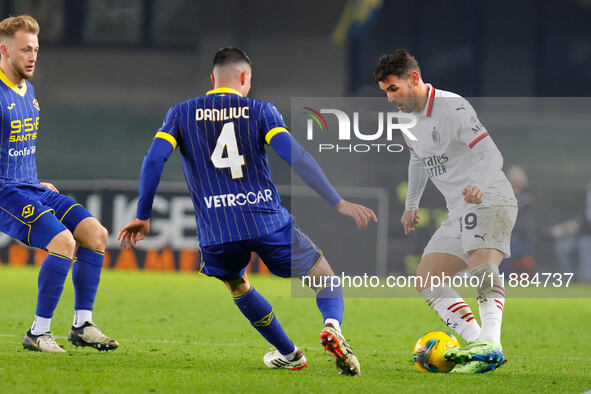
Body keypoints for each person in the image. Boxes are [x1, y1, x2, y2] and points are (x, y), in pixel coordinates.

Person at [118, 47, 376, 375]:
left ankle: (289, 353)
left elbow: (154, 159)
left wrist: (143, 213)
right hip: (266, 219)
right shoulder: (260, 111)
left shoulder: (180, 113)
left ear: (213, 79)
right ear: (245, 78)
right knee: (325, 278)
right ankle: (332, 327)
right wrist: (338, 201)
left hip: (217, 229)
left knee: (237, 284)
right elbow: (296, 156)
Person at [374, 49, 517, 373]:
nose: (389, 98)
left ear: (414, 79)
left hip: (490, 196)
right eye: (385, 91)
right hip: (460, 209)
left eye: (393, 89)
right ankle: (481, 347)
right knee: (427, 279)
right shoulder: (405, 118)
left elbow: (493, 156)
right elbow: (417, 160)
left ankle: (490, 343)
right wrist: (411, 206)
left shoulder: (452, 107)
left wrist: (479, 183)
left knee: (482, 265)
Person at [0, 15, 118, 353]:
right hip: (5, 191)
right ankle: (38, 332)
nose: (33, 56)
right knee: (63, 242)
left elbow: (17, 148)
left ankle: (82, 325)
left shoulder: (28, 90)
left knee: (95, 234)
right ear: (4, 50)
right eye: (25, 50)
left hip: (29, 185)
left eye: (36, 49)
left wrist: (35, 181)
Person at [502, 165, 536, 276]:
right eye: (512, 185)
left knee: (505, 251)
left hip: (520, 241)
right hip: (502, 238)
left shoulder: (526, 202)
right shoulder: (501, 200)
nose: (515, 189)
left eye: (517, 185)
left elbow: (525, 227)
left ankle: (504, 281)